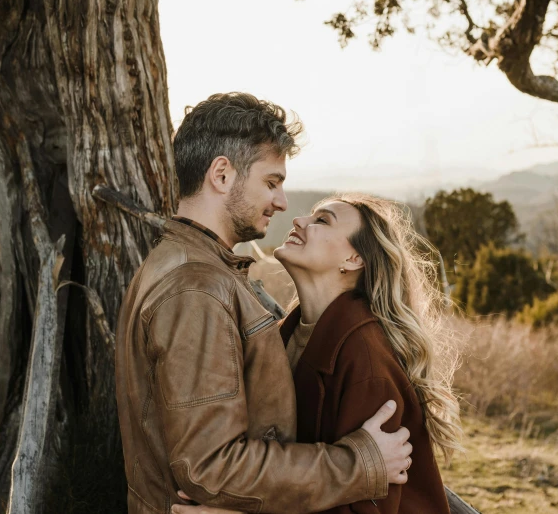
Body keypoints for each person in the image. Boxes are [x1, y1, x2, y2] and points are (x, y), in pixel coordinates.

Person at [115, 93, 413, 514]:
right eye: (271, 182)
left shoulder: (187, 267)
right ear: (222, 174)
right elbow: (211, 468)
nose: (283, 203)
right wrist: (358, 464)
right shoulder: (195, 288)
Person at [174, 194, 463, 514]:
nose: (299, 221)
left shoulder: (366, 362)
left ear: (354, 259)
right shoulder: (285, 336)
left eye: (322, 220)